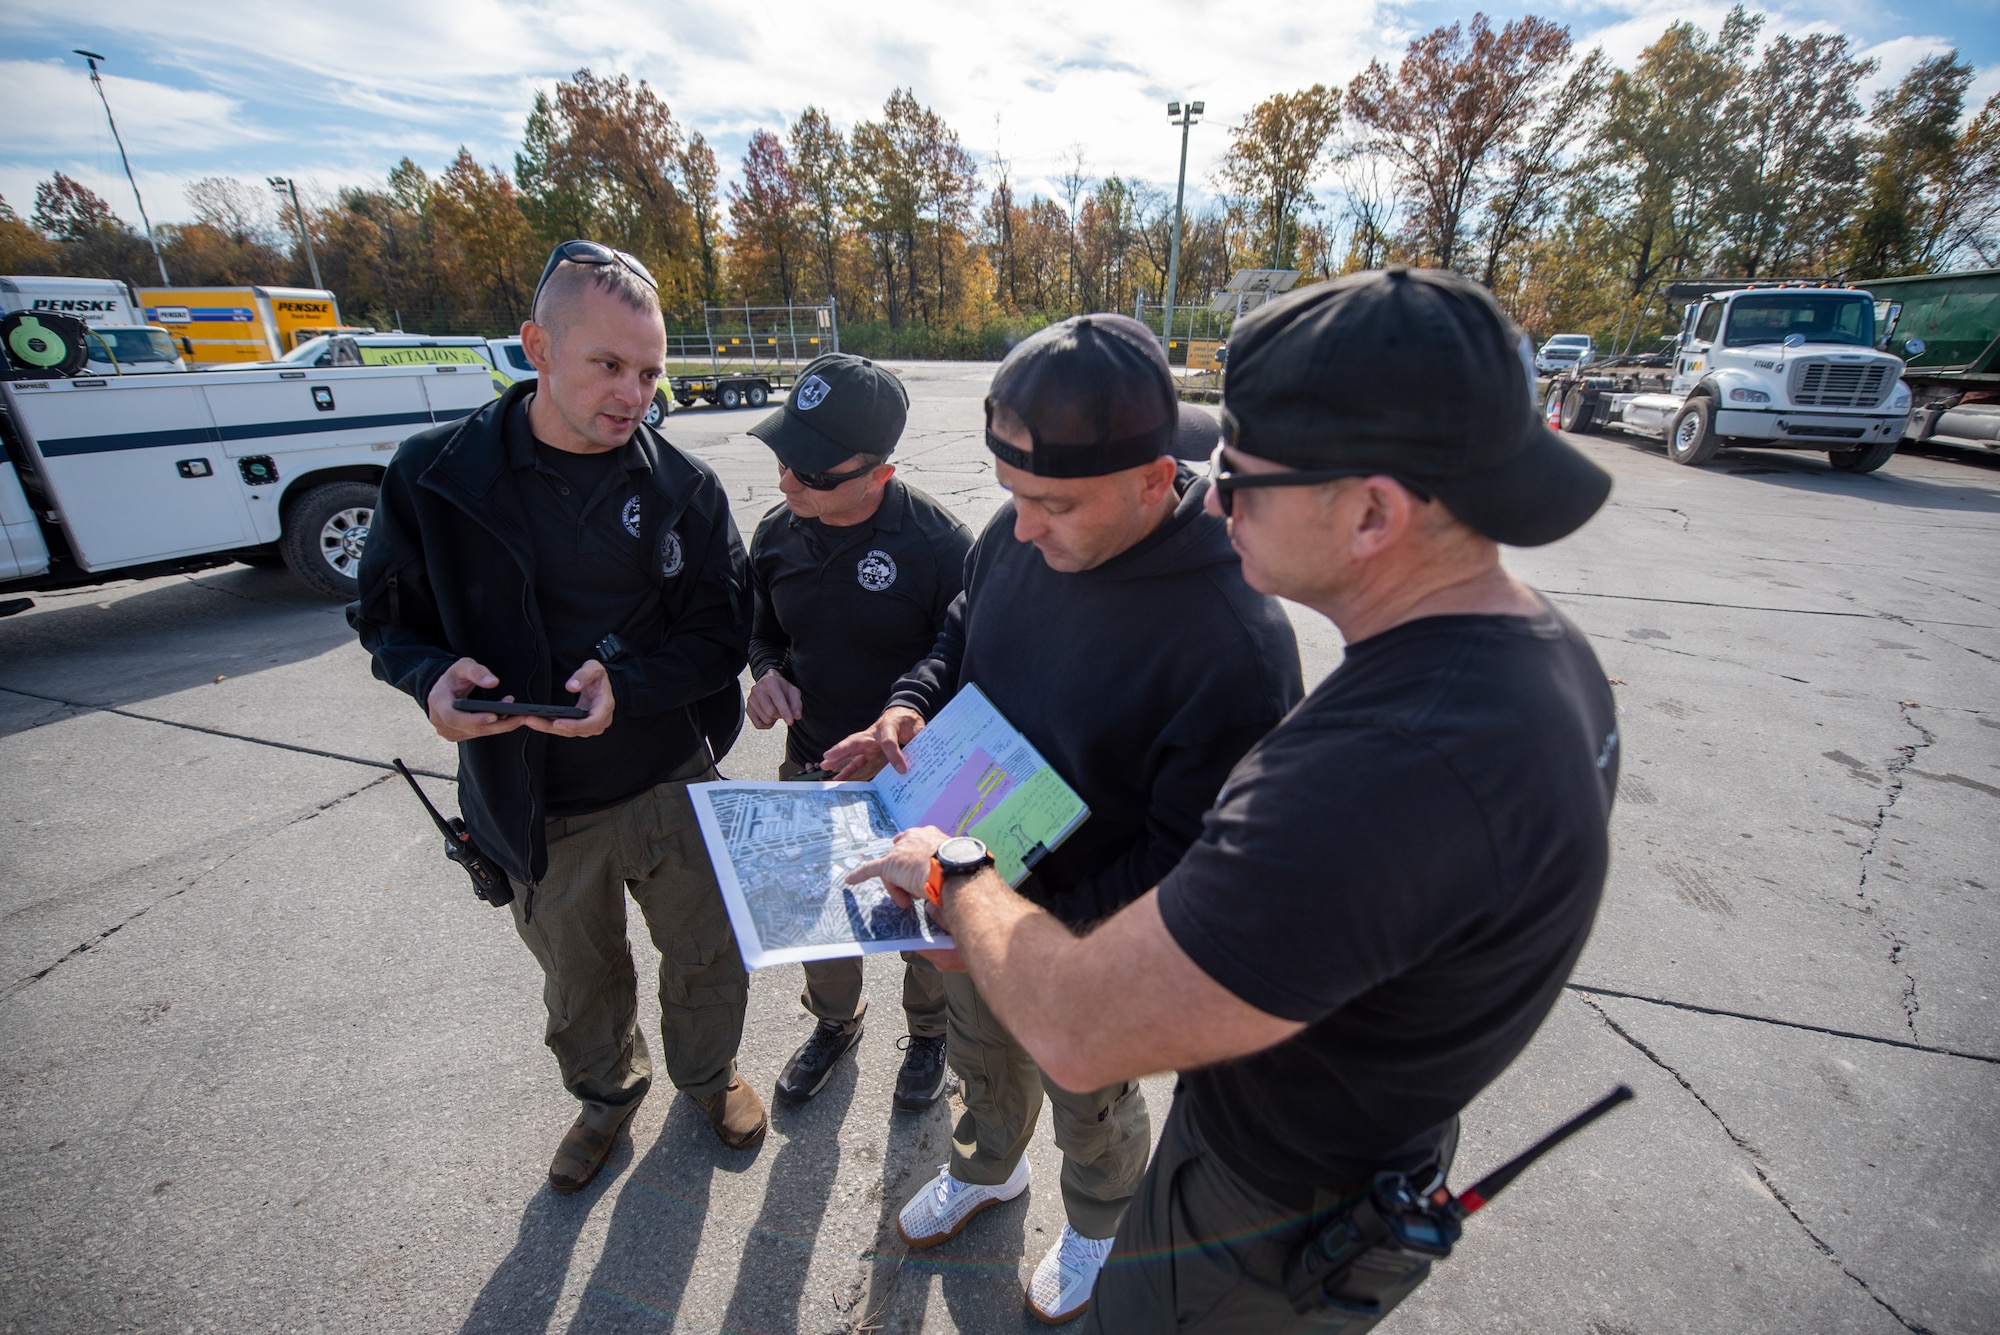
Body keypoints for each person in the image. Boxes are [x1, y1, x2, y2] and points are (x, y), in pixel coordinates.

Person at [848, 267, 1620, 1331]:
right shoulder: (1525, 657)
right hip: (1303, 1155)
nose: (1213, 498)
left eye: (1242, 476)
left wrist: (955, 875)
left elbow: (1080, 1029)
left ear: (1369, 511)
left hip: (1268, 1216)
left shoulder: (1386, 767)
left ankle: (1088, 1220)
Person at [824, 314, 1303, 1324]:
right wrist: (911, 699)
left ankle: (1097, 1222)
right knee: (978, 1051)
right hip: (966, 878)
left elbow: (1184, 871)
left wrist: (1004, 929)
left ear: (1150, 477)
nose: (1022, 529)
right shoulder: (1017, 531)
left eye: (1051, 504)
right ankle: (986, 1167)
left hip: (1087, 940)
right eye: (1011, 497)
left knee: (1088, 1096)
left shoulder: (1232, 642)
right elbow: (964, 625)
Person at [350, 241, 768, 1198]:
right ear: (537, 345)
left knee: (709, 953)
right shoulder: (437, 477)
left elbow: (719, 635)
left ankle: (709, 1078)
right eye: (609, 365)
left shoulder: (685, 490)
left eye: (652, 371)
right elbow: (385, 617)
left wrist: (633, 688)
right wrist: (428, 679)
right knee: (581, 983)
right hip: (530, 801)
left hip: (668, 779)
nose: (635, 394)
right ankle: (607, 1098)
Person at [741, 352, 973, 1110]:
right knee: (821, 914)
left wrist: (905, 724)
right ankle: (835, 1021)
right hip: (812, 765)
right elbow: (764, 629)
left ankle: (930, 1030)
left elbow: (968, 664)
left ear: (880, 472)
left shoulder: (943, 548)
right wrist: (765, 669)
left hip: (914, 780)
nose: (785, 483)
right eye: (784, 460)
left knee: (917, 917)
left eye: (810, 474)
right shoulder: (778, 533)